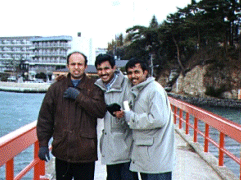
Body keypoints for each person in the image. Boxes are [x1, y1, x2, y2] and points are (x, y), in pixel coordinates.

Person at [36, 50, 107, 180]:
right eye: (73, 64)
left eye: (80, 64)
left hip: (85, 153)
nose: (76, 67)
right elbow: (45, 118)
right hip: (63, 151)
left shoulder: (94, 87)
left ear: (85, 66)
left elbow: (100, 111)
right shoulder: (56, 88)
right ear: (68, 66)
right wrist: (43, 144)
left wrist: (79, 97)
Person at [114, 58, 175, 180]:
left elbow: (158, 119)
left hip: (156, 158)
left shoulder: (154, 90)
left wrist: (131, 117)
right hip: (148, 158)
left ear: (145, 72)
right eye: (130, 73)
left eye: (137, 72)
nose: (133, 76)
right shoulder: (141, 89)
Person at [94, 54, 138, 180]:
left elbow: (136, 109)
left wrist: (124, 114)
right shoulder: (98, 86)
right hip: (109, 147)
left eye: (106, 68)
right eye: (100, 69)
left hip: (126, 147)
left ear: (114, 68)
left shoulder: (127, 84)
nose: (103, 73)